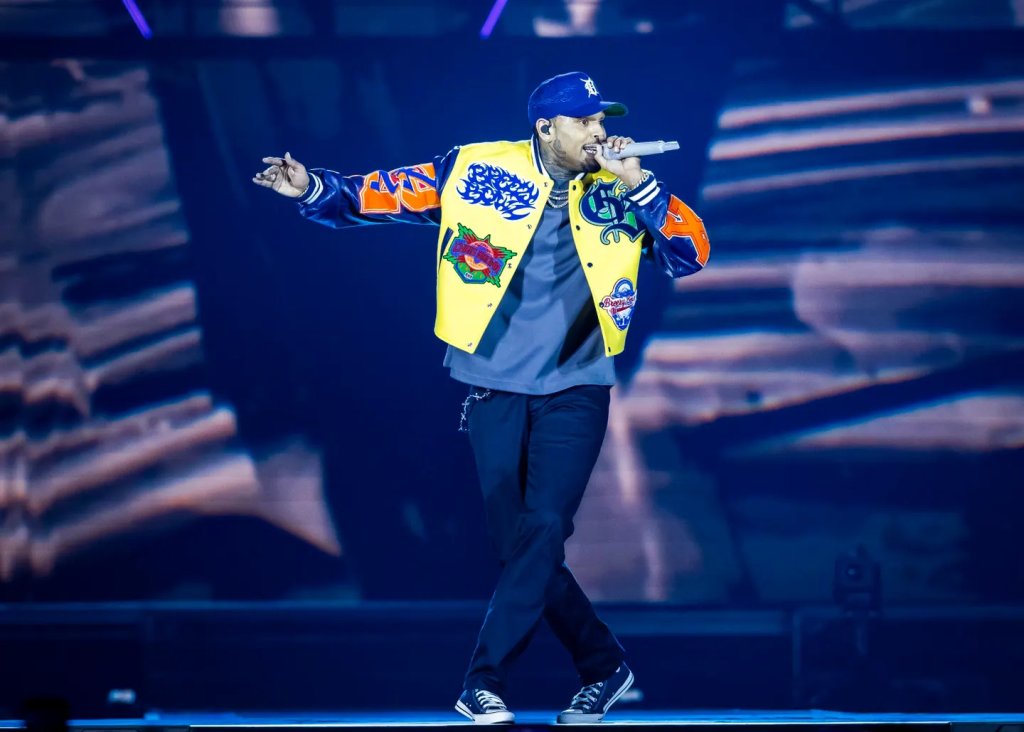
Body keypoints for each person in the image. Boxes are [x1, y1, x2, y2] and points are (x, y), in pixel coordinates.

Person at [254, 71, 710, 725]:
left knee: (544, 525)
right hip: (494, 383)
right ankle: (604, 664)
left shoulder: (623, 188)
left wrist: (641, 186)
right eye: (583, 121)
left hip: (577, 384)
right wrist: (312, 189)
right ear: (545, 128)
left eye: (601, 120)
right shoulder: (475, 170)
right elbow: (385, 193)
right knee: (519, 544)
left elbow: (691, 254)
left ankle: (483, 680)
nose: (598, 133)